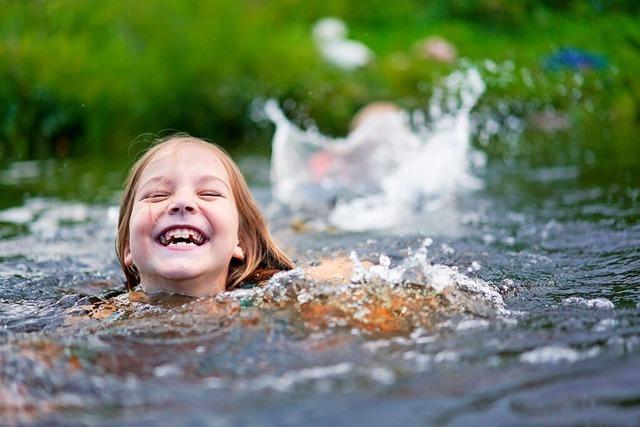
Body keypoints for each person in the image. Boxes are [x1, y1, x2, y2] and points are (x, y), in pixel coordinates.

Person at [115, 134, 294, 297]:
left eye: (209, 193)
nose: (183, 202)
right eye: (157, 195)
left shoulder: (282, 298)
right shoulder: (96, 314)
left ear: (241, 240)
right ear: (128, 246)